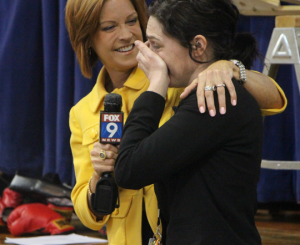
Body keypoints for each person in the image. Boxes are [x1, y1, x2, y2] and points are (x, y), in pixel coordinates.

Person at [65, 0, 286, 244]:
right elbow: (87, 214)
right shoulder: (82, 111)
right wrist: (100, 175)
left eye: (132, 21)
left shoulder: (173, 78)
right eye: (109, 27)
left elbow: (273, 99)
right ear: (87, 39)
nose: (126, 35)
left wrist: (227, 66)